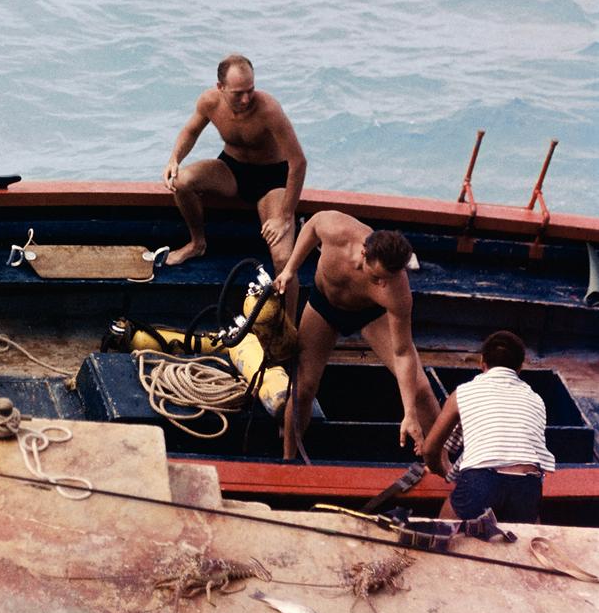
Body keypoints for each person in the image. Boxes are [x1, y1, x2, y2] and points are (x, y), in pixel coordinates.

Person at [272, 211, 440, 461]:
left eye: (388, 279)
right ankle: (288, 459)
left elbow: (402, 352)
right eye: (377, 277)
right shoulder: (338, 231)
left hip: (369, 315)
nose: (382, 285)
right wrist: (289, 270)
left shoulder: (396, 290)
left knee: (421, 389)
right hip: (323, 307)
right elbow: (312, 226)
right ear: (363, 253)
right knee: (304, 389)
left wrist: (409, 413)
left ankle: (440, 459)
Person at [161, 54, 307, 307]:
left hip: (271, 179)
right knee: (182, 181)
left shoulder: (269, 109)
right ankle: (197, 243)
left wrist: (284, 216)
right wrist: (174, 158)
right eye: (238, 93)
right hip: (232, 170)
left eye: (251, 90)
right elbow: (191, 131)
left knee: (283, 259)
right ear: (221, 88)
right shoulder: (209, 102)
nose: (246, 99)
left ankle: (290, 328)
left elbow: (298, 162)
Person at [422, 330, 554, 522]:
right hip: (528, 485)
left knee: (445, 531)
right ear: (519, 368)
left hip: (481, 481)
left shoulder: (463, 393)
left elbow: (429, 450)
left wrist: (442, 471)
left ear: (482, 362)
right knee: (522, 537)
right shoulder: (536, 400)